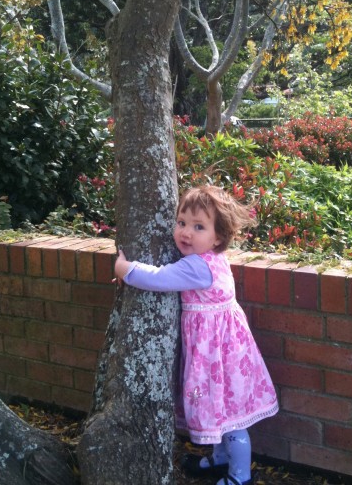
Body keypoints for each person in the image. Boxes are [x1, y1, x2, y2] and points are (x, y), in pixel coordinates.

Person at [114, 185, 279, 485]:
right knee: (222, 411)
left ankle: (240, 476)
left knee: (230, 420)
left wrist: (126, 268)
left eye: (198, 227)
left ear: (218, 237)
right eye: (182, 223)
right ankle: (220, 458)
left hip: (217, 356)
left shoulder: (197, 266)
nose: (185, 232)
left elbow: (160, 278)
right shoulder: (215, 258)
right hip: (225, 351)